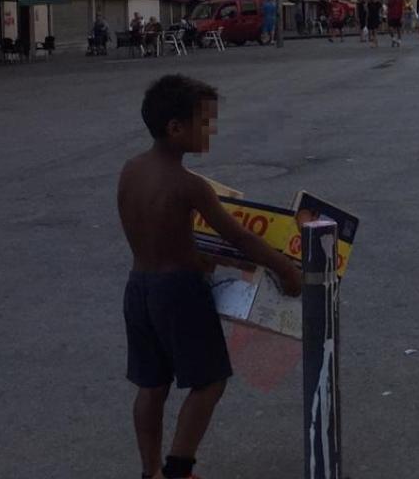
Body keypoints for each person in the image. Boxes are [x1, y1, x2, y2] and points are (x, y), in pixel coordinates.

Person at [118, 75, 302, 479]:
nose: (211, 130)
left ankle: (149, 472)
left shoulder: (130, 171)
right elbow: (238, 237)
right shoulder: (191, 186)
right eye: (205, 122)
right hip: (180, 293)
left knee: (151, 385)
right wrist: (284, 267)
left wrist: (194, 254)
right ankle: (179, 468)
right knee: (210, 381)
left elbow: (151, 233)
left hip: (139, 288)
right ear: (176, 128)